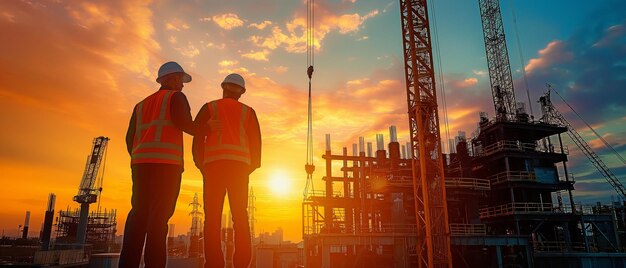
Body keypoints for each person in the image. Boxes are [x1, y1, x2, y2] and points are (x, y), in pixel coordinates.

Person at [120, 61, 216, 267]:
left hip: (141, 165)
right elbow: (184, 123)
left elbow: (130, 137)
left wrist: (139, 156)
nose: (182, 85)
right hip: (167, 165)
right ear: (172, 79)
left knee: (138, 214)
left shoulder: (141, 104)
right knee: (158, 219)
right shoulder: (176, 97)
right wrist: (206, 129)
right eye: (181, 80)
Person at [193, 73, 261, 268]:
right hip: (239, 169)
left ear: (223, 88)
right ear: (242, 92)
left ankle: (213, 263)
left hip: (213, 167)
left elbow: (197, 136)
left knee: (212, 217)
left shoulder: (209, 108)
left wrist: (201, 164)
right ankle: (241, 264)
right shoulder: (248, 112)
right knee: (240, 216)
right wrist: (249, 167)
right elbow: (256, 143)